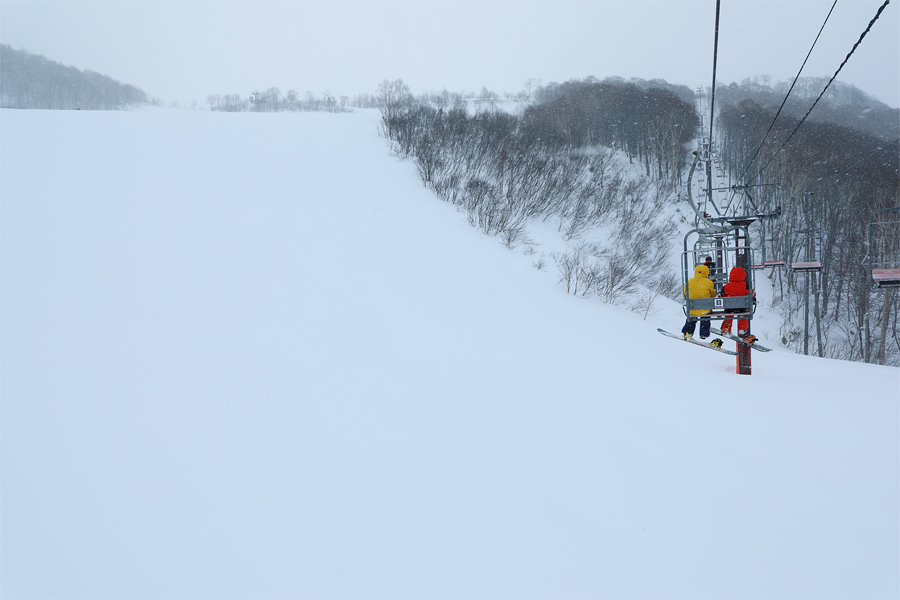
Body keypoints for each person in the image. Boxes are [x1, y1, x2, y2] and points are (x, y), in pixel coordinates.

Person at [681, 263, 719, 341]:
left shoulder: (689, 282)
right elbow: (713, 295)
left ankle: (688, 332)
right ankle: (703, 333)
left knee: (692, 317)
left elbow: (685, 294)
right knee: (705, 316)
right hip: (705, 309)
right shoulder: (708, 282)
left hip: (692, 308)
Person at [720, 266, 756, 342]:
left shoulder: (727, 286)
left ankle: (726, 328)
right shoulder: (745, 285)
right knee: (743, 315)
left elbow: (722, 295)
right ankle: (742, 329)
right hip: (741, 308)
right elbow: (751, 293)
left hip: (729, 308)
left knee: (729, 315)